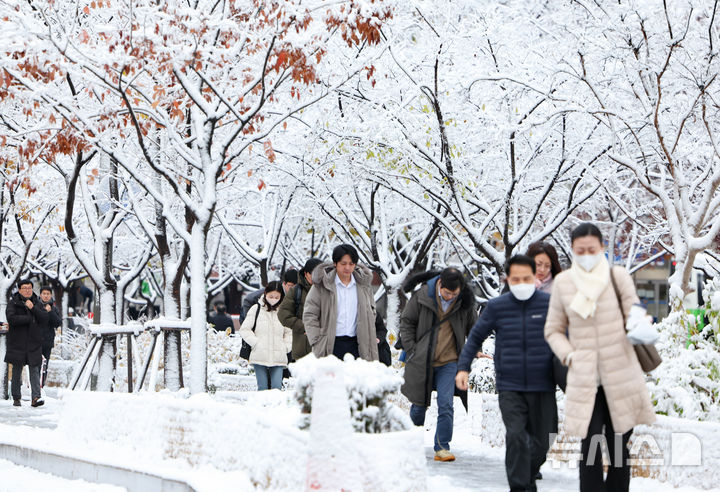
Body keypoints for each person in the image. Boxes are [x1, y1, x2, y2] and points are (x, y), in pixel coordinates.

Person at [544, 222, 656, 492]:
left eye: (591, 249)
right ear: (572, 250)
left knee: (619, 446)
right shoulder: (564, 283)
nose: (586, 254)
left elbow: (634, 310)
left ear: (602, 248)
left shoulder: (617, 277)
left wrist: (640, 322)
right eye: (580, 250)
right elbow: (553, 329)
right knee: (590, 443)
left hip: (621, 374)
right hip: (585, 377)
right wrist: (568, 355)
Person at [456, 255, 557, 491]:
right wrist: (463, 367)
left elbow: (568, 337)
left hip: (543, 384)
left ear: (535, 278)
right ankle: (520, 486)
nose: (521, 283)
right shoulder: (497, 306)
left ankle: (528, 473)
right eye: (516, 279)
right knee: (516, 436)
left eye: (526, 278)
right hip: (510, 385)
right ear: (507, 279)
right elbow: (475, 338)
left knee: (545, 439)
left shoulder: (549, 304)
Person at [399, 267, 476, 462]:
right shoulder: (422, 295)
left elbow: (474, 328)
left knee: (446, 404)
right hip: (422, 359)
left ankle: (442, 447)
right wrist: (412, 349)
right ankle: (411, 443)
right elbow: (407, 322)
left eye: (454, 294)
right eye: (447, 293)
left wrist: (474, 349)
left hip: (450, 362)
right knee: (418, 405)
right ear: (440, 284)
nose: (450, 297)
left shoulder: (464, 301)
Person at [303, 244, 378, 361]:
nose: (347, 268)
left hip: (358, 343)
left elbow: (372, 310)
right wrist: (316, 339)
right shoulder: (322, 285)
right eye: (343, 264)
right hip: (330, 343)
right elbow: (310, 313)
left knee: (357, 378)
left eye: (351, 264)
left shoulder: (363, 286)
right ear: (335, 263)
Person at [239, 281, 292, 391]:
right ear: (265, 294)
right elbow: (245, 329)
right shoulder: (256, 309)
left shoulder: (284, 311)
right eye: (271, 296)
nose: (273, 299)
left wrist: (286, 346)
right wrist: (256, 343)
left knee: (277, 388)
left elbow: (289, 332)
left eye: (277, 297)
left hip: (278, 355)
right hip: (260, 355)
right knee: (262, 388)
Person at [5, 279, 49, 407]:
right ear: (19, 290)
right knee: (17, 370)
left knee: (35, 370)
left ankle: (36, 397)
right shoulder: (13, 303)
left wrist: (33, 308)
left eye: (30, 288)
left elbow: (45, 318)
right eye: (25, 288)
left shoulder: (36, 302)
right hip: (17, 342)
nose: (27, 290)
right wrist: (29, 319)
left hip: (33, 342)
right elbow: (11, 318)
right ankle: (16, 397)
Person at [278, 258, 323, 361]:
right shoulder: (296, 291)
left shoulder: (328, 291)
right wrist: (304, 326)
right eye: (313, 274)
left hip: (324, 348)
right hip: (302, 349)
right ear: (306, 274)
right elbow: (283, 314)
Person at [39, 286, 62, 387]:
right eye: (44, 294)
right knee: (34, 365)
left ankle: (41, 385)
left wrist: (50, 311)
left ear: (51, 295)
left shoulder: (54, 308)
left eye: (48, 294)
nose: (46, 296)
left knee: (44, 366)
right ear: (40, 295)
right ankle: (33, 385)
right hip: (35, 341)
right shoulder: (35, 306)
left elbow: (57, 323)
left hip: (47, 342)